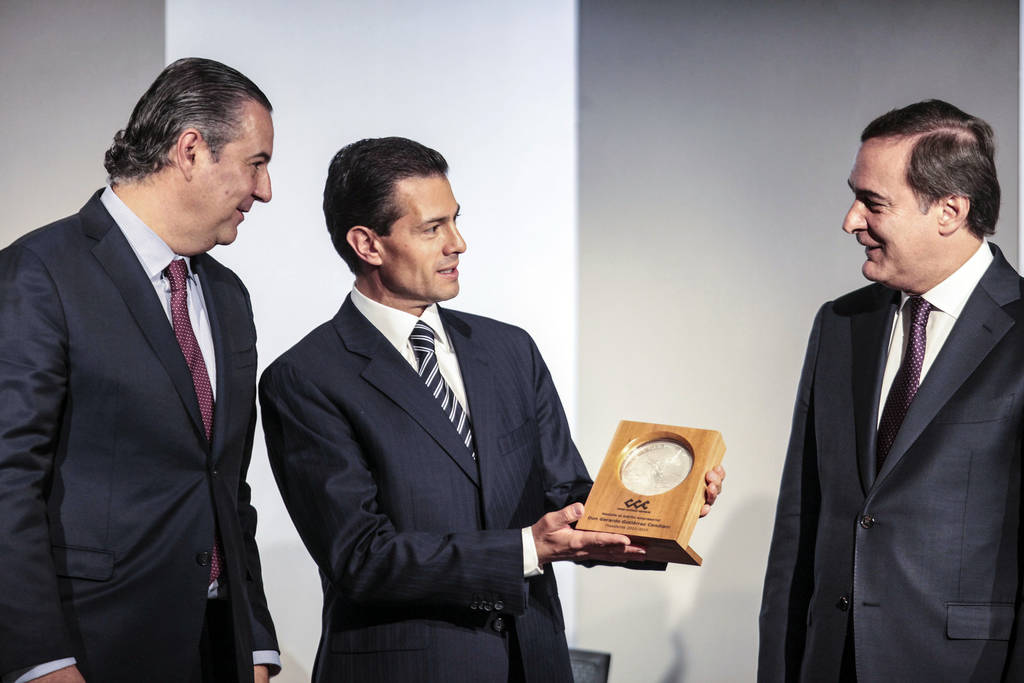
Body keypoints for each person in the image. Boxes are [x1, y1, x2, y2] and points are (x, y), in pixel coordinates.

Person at [259, 136, 725, 682]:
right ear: (367, 244)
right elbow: (362, 557)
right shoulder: (306, 378)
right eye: (432, 229)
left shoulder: (509, 350)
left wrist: (659, 502)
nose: (458, 243)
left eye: (455, 220)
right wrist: (526, 548)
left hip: (535, 660)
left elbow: (567, 496)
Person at [0, 58, 279, 683]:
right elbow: (7, 480)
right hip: (93, 650)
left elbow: (226, 486)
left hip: (218, 650)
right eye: (256, 163)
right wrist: (40, 660)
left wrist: (255, 644)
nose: (265, 190)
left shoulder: (228, 295)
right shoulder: (40, 273)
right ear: (190, 150)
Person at [759, 100, 1024, 681]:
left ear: (950, 211)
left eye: (873, 203)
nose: (851, 221)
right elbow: (800, 522)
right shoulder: (840, 324)